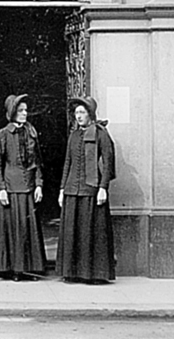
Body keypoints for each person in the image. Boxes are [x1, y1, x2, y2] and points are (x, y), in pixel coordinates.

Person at [56, 96, 116, 284]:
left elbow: (108, 162)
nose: (79, 116)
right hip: (72, 191)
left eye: (82, 112)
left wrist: (103, 188)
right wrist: (62, 189)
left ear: (90, 114)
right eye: (76, 113)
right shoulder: (73, 136)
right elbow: (67, 163)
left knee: (91, 234)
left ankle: (94, 274)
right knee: (73, 233)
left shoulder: (100, 134)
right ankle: (72, 272)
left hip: (91, 190)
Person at [0, 93, 47, 281]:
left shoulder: (31, 132)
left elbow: (37, 162)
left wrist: (39, 184)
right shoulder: (2, 135)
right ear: (12, 112)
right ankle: (14, 269)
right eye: (20, 110)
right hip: (11, 188)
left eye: (25, 110)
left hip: (29, 187)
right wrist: (1, 188)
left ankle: (30, 269)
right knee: (14, 228)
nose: (24, 113)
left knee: (28, 229)